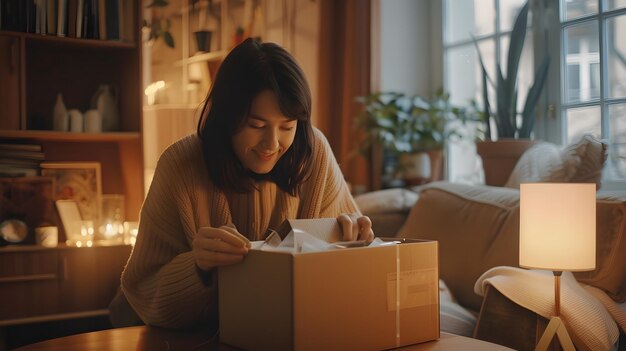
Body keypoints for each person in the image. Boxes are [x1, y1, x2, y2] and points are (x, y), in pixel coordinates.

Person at [120, 38, 374, 329]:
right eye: (257, 125)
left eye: (287, 127)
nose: (272, 143)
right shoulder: (180, 165)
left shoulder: (313, 153)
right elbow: (141, 293)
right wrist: (198, 267)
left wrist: (359, 243)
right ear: (228, 116)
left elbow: (350, 278)